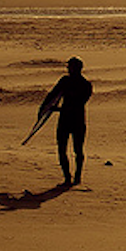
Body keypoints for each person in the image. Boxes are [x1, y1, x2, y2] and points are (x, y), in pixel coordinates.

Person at [42, 56, 93, 186]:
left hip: (76, 120)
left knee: (77, 150)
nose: (68, 69)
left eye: (70, 67)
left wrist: (58, 109)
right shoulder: (65, 81)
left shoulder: (85, 85)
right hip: (66, 120)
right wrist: (44, 109)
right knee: (62, 149)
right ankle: (67, 177)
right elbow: (52, 95)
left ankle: (77, 177)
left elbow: (78, 102)